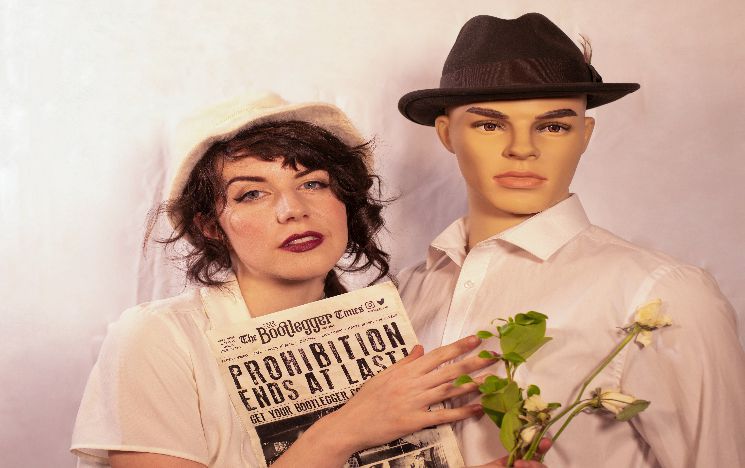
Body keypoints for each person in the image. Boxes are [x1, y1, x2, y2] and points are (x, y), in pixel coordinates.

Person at [69, 91, 547, 468]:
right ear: (211, 225)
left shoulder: (396, 323)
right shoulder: (158, 337)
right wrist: (347, 428)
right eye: (252, 193)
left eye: (313, 183)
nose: (293, 210)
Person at [396, 13, 745, 468]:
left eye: (553, 126)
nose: (522, 147)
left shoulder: (662, 294)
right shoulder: (404, 293)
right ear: (446, 134)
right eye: (489, 125)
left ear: (584, 135)